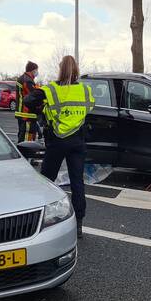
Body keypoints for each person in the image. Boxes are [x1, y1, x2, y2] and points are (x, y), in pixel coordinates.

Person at [26, 55, 95, 239]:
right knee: (77, 182)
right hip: (77, 140)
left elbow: (28, 100)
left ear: (60, 69)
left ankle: (41, 220)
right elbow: (90, 107)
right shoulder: (85, 90)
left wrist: (42, 110)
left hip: (57, 140)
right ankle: (79, 224)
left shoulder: (51, 89)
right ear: (76, 69)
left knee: (47, 181)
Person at [15, 61, 41, 143]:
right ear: (33, 70)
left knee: (22, 135)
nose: (37, 72)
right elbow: (33, 96)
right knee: (27, 138)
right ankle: (25, 151)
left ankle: (21, 149)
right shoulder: (27, 80)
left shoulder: (24, 78)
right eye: (36, 70)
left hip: (22, 112)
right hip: (26, 113)